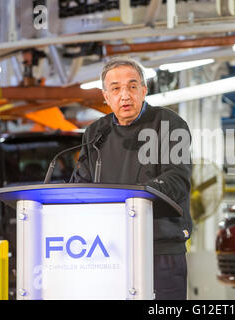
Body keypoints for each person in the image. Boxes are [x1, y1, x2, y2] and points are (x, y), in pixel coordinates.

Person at [71, 57, 193, 300]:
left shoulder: (168, 123)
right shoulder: (96, 132)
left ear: (144, 90)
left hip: (159, 249)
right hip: (107, 249)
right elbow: (80, 183)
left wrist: (137, 195)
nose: (124, 95)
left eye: (132, 86)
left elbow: (178, 180)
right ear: (105, 96)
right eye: (115, 89)